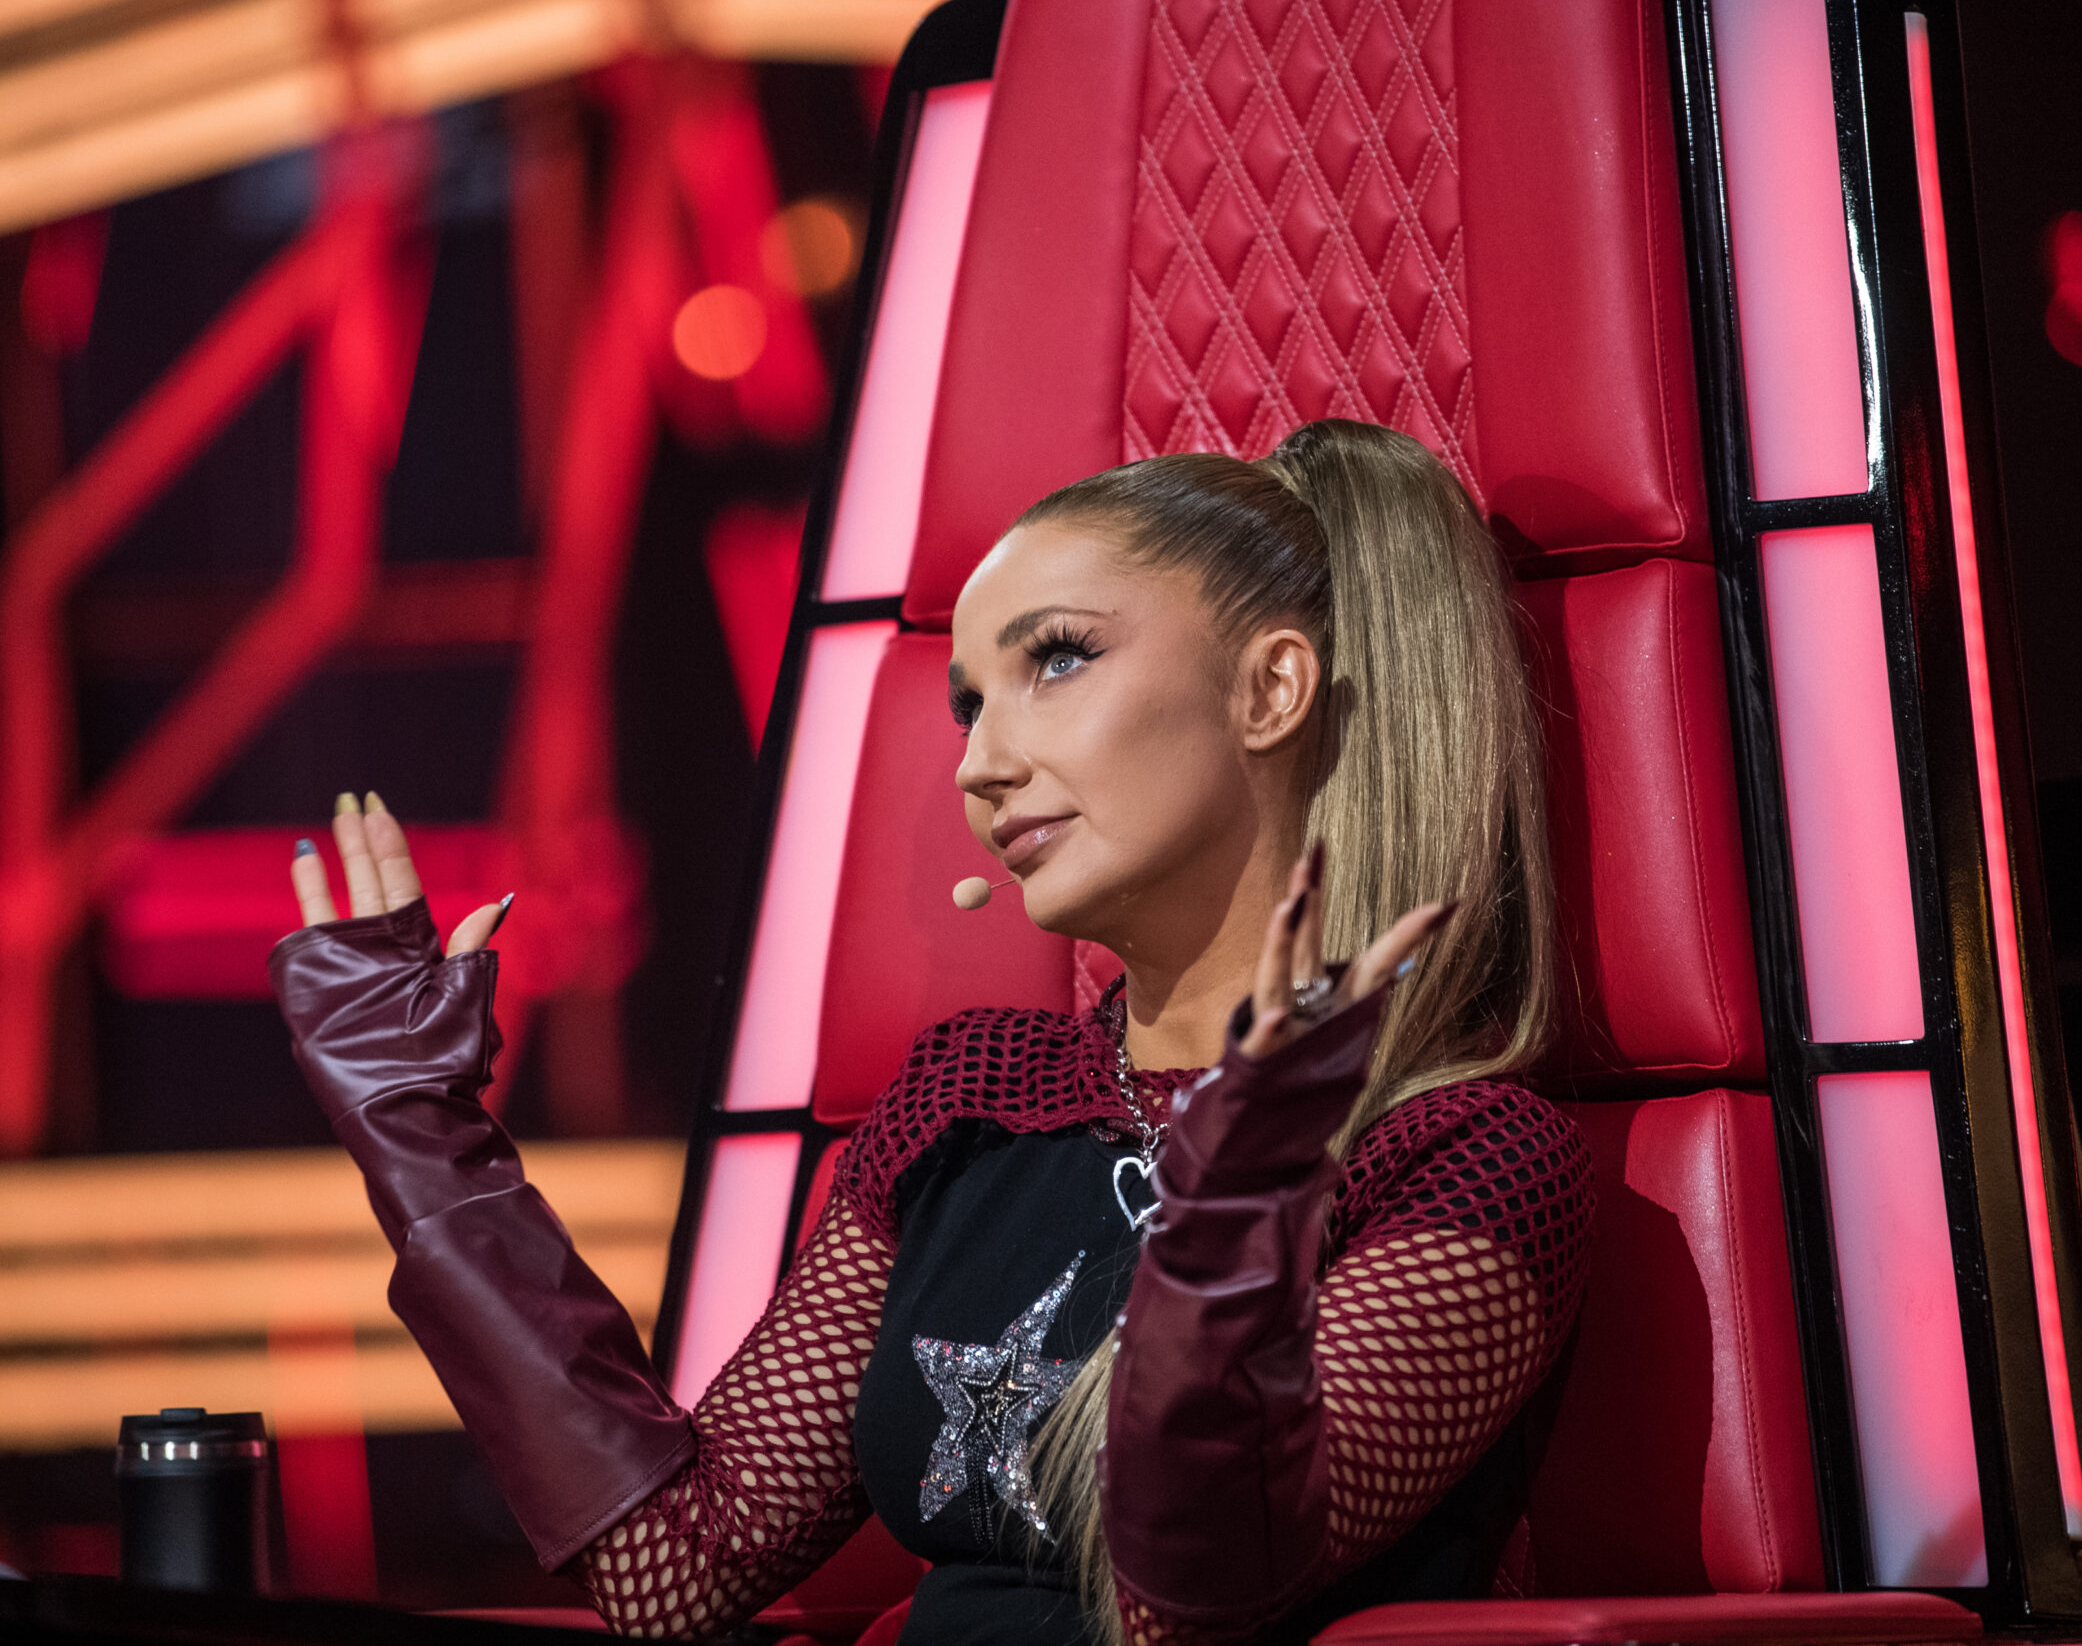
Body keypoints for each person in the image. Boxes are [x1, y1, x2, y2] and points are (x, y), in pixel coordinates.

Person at [271, 419, 1595, 1645]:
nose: (979, 766)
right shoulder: (973, 1095)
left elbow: (1185, 1608)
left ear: (1273, 689)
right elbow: (676, 1568)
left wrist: (1233, 1213)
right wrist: (422, 1137)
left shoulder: (1470, 1157)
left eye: (1056, 660)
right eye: (970, 702)